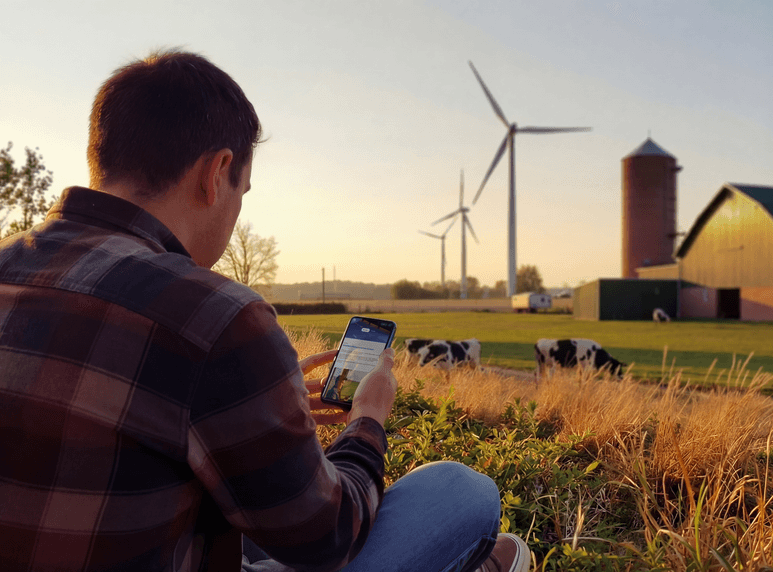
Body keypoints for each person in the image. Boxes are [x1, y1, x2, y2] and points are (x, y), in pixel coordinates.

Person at [0, 50, 530, 572]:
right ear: (217, 172)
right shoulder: (216, 316)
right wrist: (368, 419)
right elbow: (327, 537)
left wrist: (249, 400)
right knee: (463, 493)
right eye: (242, 192)